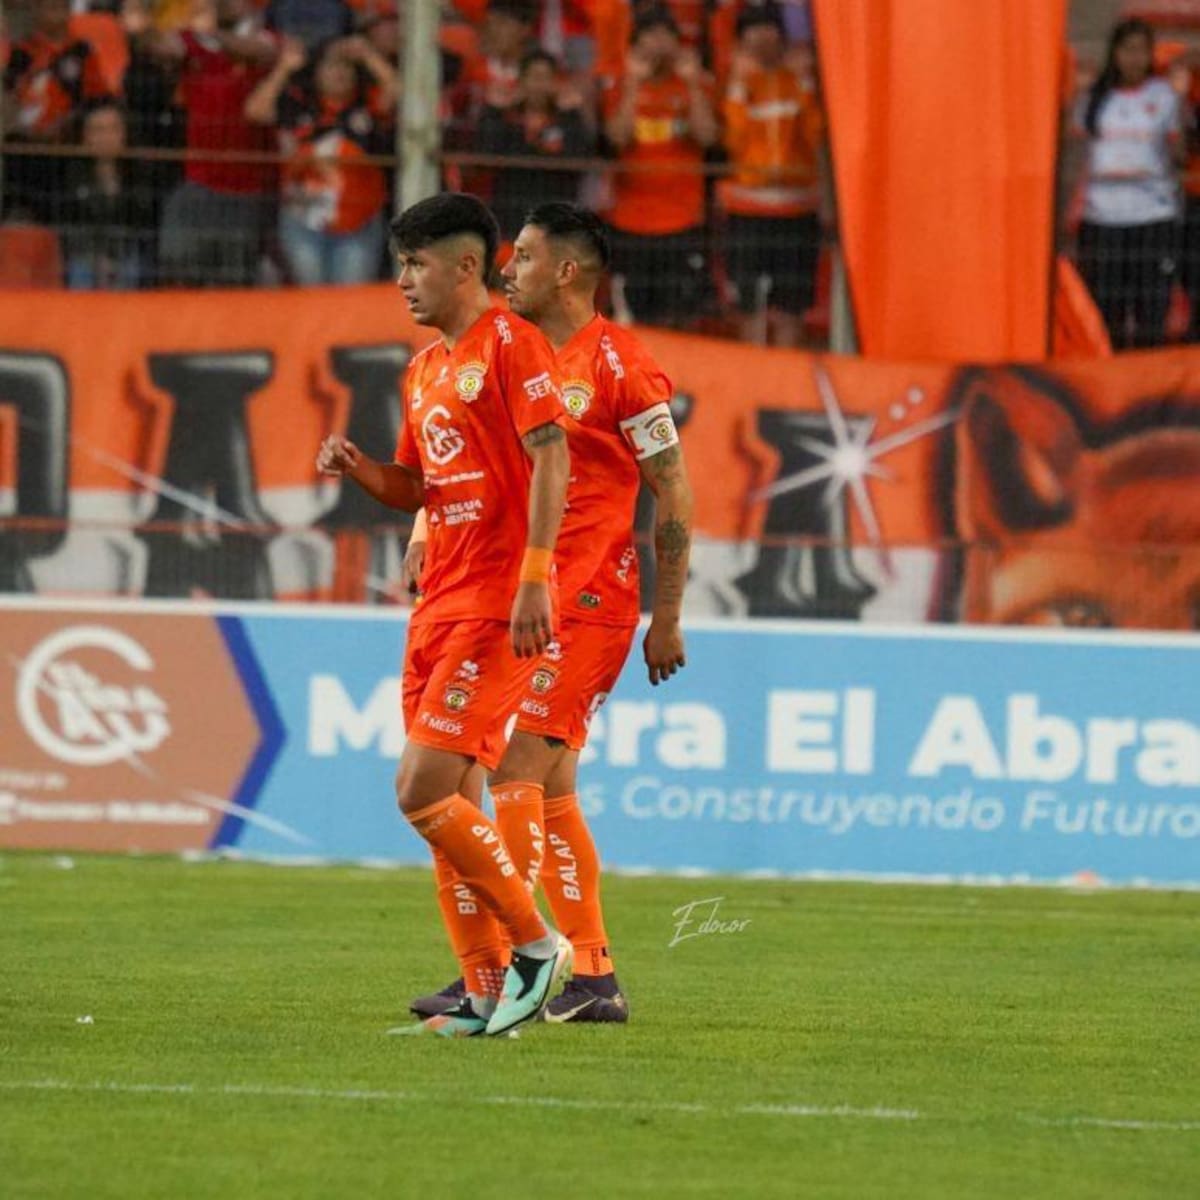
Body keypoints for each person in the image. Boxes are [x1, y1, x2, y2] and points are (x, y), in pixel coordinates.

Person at [408, 201, 694, 1025]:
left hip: (590, 602)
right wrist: (429, 523)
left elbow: (673, 488)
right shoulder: (508, 355)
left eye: (524, 257)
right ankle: (593, 978)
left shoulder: (622, 366)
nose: (508, 270)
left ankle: (506, 978)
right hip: (516, 597)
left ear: (566, 271)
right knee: (554, 786)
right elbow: (474, 461)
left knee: (511, 775)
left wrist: (665, 615)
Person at [315, 192, 573, 1038]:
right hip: (437, 607)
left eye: (417, 264)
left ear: (467, 266)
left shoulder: (514, 344)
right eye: (399, 265)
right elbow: (419, 487)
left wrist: (537, 577)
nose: (403, 282)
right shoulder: (425, 368)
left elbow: (551, 459)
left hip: (499, 601)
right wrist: (360, 470)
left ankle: (538, 947)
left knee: (419, 788)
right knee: (448, 805)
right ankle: (487, 984)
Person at [130, 0, 281, 287]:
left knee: (234, 279)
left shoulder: (266, 36)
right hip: (199, 179)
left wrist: (211, 35)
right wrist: (144, 28)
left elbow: (262, 52)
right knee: (178, 265)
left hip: (246, 187)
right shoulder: (192, 41)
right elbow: (164, 47)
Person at [245, 35, 395, 285]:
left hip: (359, 222)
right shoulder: (297, 107)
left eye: (346, 66)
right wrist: (284, 68)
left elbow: (398, 91)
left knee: (350, 305)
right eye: (331, 66)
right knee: (313, 300)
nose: (340, 73)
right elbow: (255, 110)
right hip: (303, 220)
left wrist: (369, 56)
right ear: (315, 72)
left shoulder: (367, 107)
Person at [602, 5, 717, 328]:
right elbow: (618, 138)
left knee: (678, 316)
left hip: (682, 220)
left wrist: (693, 84)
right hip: (631, 221)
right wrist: (634, 85)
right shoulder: (621, 87)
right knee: (631, 319)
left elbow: (707, 136)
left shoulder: (695, 86)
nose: (659, 43)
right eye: (650, 36)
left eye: (667, 35)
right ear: (636, 44)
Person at [1075, 18, 1185, 350]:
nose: (1135, 58)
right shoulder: (1094, 97)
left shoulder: (1164, 94)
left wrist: (1180, 101)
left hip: (1152, 216)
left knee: (1151, 310)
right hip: (1103, 218)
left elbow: (1177, 152)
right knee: (1108, 310)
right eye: (1128, 49)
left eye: (1142, 50)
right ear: (1115, 53)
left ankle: (1150, 386)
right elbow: (1078, 153)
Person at [719, 1, 824, 346]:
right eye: (754, 30)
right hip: (748, 210)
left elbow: (814, 135)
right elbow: (732, 141)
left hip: (797, 209)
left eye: (769, 28)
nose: (763, 37)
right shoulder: (733, 82)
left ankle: (786, 388)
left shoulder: (799, 81)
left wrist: (806, 83)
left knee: (792, 307)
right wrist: (737, 86)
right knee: (750, 307)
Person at [2, 0, 112, 220]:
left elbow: (97, 99)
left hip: (68, 146)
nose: (55, 13)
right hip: (25, 146)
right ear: (36, 10)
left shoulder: (81, 51)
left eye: (61, 7)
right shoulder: (22, 53)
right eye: (48, 6)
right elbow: (9, 98)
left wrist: (70, 122)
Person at [476, 48, 592, 239]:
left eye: (546, 78)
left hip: (556, 224)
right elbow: (486, 153)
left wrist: (572, 115)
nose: (540, 85)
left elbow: (580, 160)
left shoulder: (566, 120)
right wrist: (493, 111)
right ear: (521, 82)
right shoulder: (506, 119)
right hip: (511, 220)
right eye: (534, 77)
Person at [61, 100, 155, 288]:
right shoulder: (70, 177)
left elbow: (140, 225)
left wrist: (113, 258)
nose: (106, 137)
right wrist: (97, 259)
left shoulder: (139, 175)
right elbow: (71, 227)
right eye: (98, 130)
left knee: (131, 267)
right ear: (84, 137)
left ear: (125, 134)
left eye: (113, 129)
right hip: (84, 254)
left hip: (127, 253)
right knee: (81, 270)